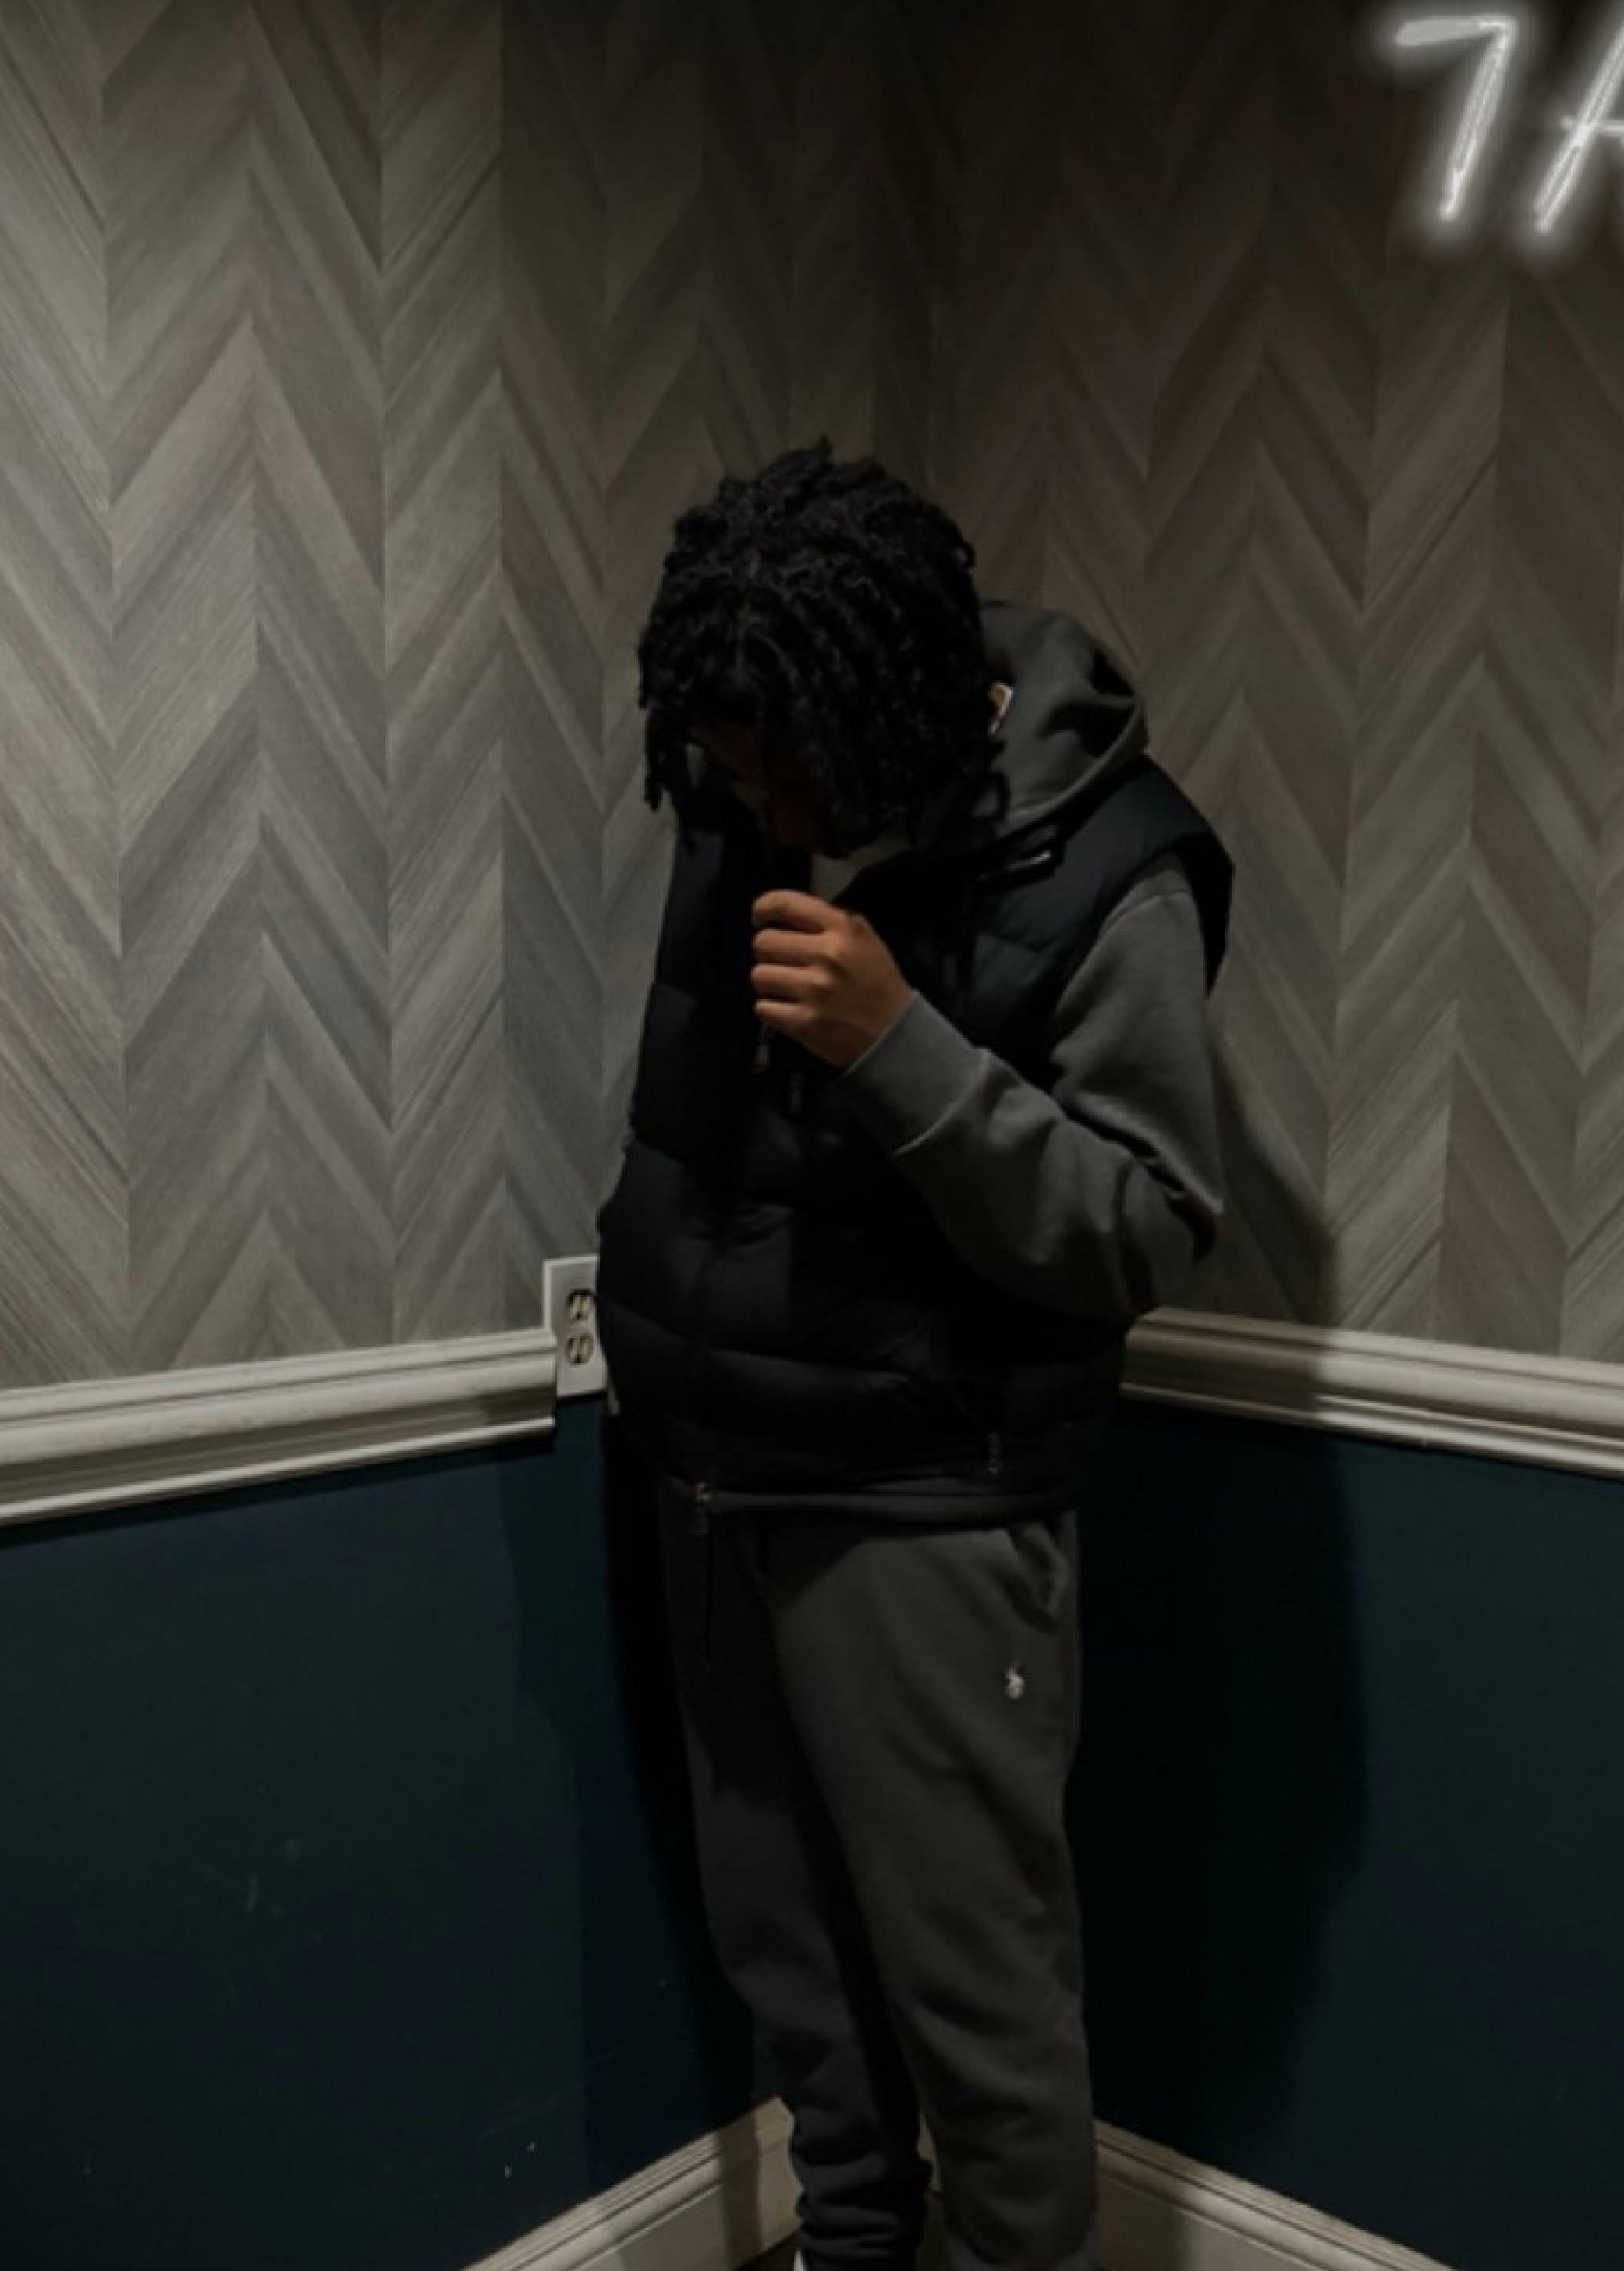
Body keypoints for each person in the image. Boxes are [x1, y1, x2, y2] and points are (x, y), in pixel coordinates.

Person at [594, 441, 1233, 2271]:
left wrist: (903, 1050)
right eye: (727, 763)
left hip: (926, 1506)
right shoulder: (748, 777)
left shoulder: (1113, 865)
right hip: (710, 1475)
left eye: (778, 762)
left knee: (979, 2013)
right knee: (795, 1976)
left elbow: (1146, 1225)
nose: (755, 801)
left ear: (890, 702)